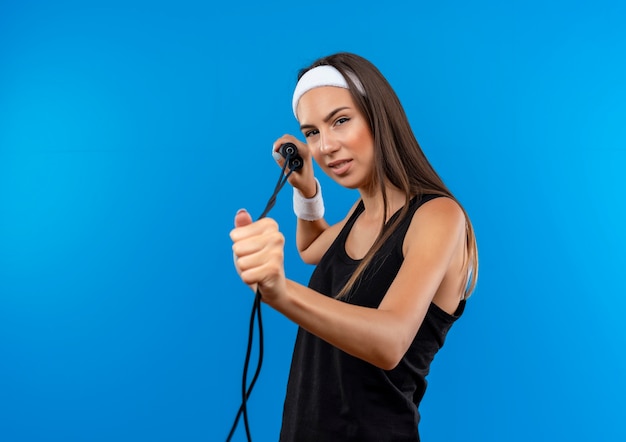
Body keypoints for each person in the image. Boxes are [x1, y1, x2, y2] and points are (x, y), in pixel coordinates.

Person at [230, 52, 478, 441]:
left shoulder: (439, 216)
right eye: (311, 132)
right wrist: (308, 192)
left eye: (340, 121)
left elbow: (390, 341)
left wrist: (279, 293)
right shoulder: (362, 212)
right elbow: (313, 249)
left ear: (378, 116)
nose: (325, 146)